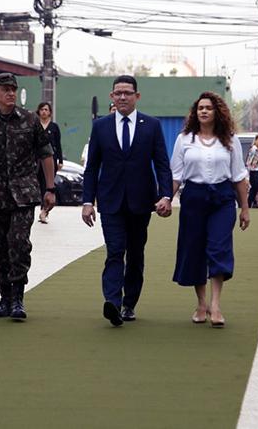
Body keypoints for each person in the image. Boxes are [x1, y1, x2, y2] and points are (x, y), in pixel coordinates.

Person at [82, 74, 173, 327]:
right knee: (114, 251)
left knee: (135, 254)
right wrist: (87, 201)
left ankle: (129, 303)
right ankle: (112, 301)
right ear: (112, 96)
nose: (122, 97)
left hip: (141, 202)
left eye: (128, 93)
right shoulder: (101, 126)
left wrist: (166, 196)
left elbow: (162, 164)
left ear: (137, 96)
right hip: (110, 202)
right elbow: (92, 167)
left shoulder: (151, 125)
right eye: (118, 93)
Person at [0, 73, 56, 321]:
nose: (10, 93)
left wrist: (50, 188)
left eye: (13, 89)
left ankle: (18, 297)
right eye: (5, 89)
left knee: (18, 243)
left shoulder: (30, 120)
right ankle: (4, 296)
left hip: (24, 194)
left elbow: (46, 154)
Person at [170, 92, 249, 327]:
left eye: (208, 108)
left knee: (218, 247)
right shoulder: (184, 139)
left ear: (218, 112)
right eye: (200, 108)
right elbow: (176, 175)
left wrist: (245, 208)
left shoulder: (230, 140)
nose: (203, 111)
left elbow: (238, 176)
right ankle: (201, 304)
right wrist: (166, 197)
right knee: (194, 250)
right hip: (193, 198)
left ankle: (216, 305)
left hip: (223, 199)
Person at [36, 101, 63, 224]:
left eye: (46, 110)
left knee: (49, 185)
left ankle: (44, 211)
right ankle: (41, 207)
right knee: (39, 185)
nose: (44, 112)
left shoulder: (54, 127)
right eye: (42, 109)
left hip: (50, 161)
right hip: (37, 160)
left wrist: (60, 160)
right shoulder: (35, 125)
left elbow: (58, 144)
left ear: (50, 112)